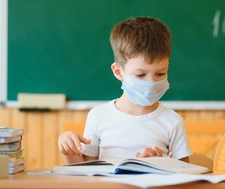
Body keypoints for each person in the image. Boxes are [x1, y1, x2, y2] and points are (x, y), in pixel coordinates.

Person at [58, 16, 192, 164]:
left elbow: (185, 174)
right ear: (118, 72)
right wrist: (68, 149)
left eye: (160, 73)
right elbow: (85, 172)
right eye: (140, 75)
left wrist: (163, 164)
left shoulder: (172, 121)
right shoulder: (98, 117)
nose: (152, 82)